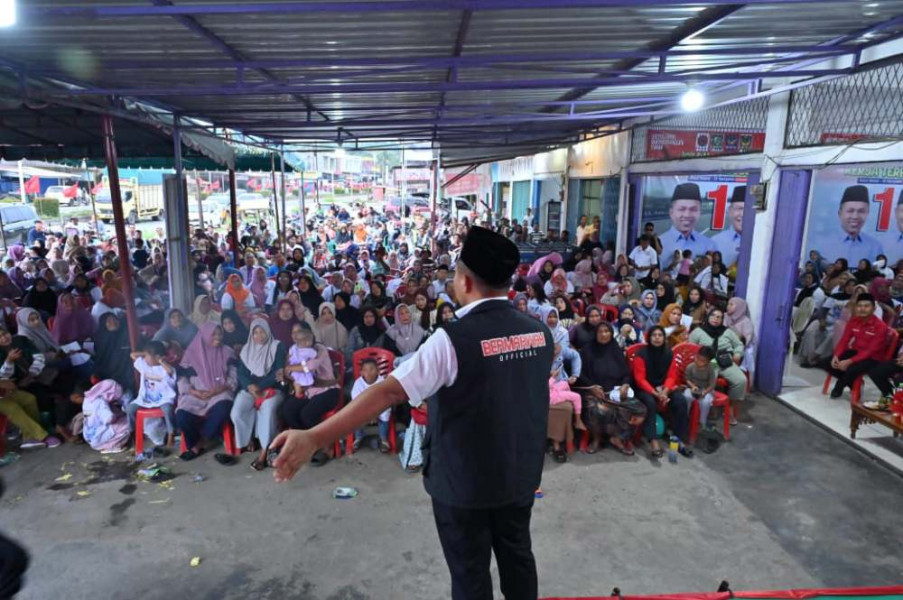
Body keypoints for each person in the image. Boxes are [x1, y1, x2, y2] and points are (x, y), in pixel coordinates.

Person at [269, 226, 553, 600]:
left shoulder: (452, 339)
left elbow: (388, 391)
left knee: (470, 575)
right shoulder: (538, 332)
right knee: (518, 561)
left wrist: (315, 436)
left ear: (465, 282)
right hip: (519, 475)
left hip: (464, 483)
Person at [279, 325, 341, 467]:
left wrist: (290, 368)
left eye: (300, 332)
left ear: (310, 335)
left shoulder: (319, 349)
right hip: (309, 392)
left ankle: (327, 447)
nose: (297, 336)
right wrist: (289, 372)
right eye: (294, 333)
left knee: (307, 414)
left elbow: (311, 366)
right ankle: (307, 443)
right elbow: (288, 373)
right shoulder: (294, 350)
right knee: (288, 410)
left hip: (328, 390)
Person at [176, 323, 238, 461]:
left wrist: (219, 389)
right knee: (182, 415)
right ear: (204, 335)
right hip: (196, 393)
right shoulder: (191, 353)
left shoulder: (227, 352)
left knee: (223, 409)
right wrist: (192, 391)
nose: (218, 337)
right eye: (213, 334)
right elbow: (181, 378)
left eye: (220, 334)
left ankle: (201, 441)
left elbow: (233, 377)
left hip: (219, 392)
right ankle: (194, 443)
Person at [232, 318, 286, 471]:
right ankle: (249, 439)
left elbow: (278, 371)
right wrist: (250, 386)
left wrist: (261, 387)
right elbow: (241, 373)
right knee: (237, 411)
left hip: (273, 389)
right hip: (251, 389)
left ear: (268, 332)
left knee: (267, 410)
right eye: (255, 332)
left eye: (262, 332)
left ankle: (265, 450)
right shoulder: (247, 349)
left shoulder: (277, 347)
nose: (259, 336)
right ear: (252, 334)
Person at [825, 293, 890, 398]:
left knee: (851, 369)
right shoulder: (854, 321)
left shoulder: (881, 327)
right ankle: (851, 384)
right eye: (859, 306)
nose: (862, 309)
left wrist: (849, 361)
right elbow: (844, 340)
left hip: (873, 358)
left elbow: (871, 350)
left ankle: (839, 387)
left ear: (873, 309)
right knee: (827, 362)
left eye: (866, 306)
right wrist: (836, 355)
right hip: (856, 352)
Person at [689, 308, 746, 424]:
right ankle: (708, 407)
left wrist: (737, 354)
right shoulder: (698, 331)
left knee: (741, 380)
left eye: (719, 317)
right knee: (710, 379)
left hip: (725, 361)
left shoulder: (727, 332)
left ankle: (729, 409)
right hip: (708, 362)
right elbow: (689, 348)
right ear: (708, 317)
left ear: (722, 319)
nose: (715, 318)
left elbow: (739, 344)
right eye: (713, 315)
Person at [631, 326, 677, 459]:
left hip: (663, 388)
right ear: (649, 338)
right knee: (650, 402)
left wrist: (665, 391)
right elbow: (640, 379)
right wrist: (656, 394)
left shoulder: (669, 353)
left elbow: (672, 376)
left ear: (664, 338)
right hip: (643, 389)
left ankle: (677, 437)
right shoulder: (641, 354)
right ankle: (653, 441)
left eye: (660, 335)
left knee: (679, 400)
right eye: (654, 335)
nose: (657, 338)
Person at [128, 340, 178, 447]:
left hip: (163, 399)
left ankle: (171, 433)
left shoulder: (165, 368)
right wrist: (146, 353)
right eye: (145, 356)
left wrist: (161, 361)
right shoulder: (144, 365)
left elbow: (170, 371)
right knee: (130, 409)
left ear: (157, 357)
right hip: (146, 399)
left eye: (147, 356)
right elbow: (132, 355)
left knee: (167, 409)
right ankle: (133, 432)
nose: (145, 358)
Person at [823, 185, 883, 265]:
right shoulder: (823, 242)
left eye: (861, 211)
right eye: (850, 211)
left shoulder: (875, 246)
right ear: (840, 213)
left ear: (867, 214)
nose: (855, 216)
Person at [659, 183, 717, 267]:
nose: (687, 215)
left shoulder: (709, 245)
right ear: (671, 212)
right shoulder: (660, 243)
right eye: (681, 209)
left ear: (700, 213)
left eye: (693, 209)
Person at [351, 357, 390, 452]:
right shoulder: (358, 383)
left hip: (379, 408)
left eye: (372, 369)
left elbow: (383, 400)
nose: (368, 373)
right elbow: (357, 402)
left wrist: (374, 413)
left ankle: (383, 439)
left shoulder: (382, 382)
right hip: (363, 409)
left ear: (378, 371)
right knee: (354, 414)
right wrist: (368, 414)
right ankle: (359, 436)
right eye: (365, 370)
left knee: (386, 412)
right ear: (361, 373)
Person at [681, 346, 718, 430]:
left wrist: (704, 392)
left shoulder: (710, 369)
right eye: (697, 358)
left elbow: (712, 384)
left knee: (705, 402)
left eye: (702, 361)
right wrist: (692, 386)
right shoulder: (690, 366)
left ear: (708, 362)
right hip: (692, 387)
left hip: (706, 389)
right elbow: (687, 379)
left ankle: (702, 421)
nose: (698, 361)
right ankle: (685, 417)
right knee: (686, 397)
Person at [712, 186, 745, 268]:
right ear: (730, 211)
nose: (743, 214)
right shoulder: (715, 242)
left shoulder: (764, 241)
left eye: (748, 209)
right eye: (739, 209)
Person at [285, 327, 318, 398]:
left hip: (298, 368)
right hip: (299, 369)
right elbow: (315, 355)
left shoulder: (295, 348)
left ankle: (298, 394)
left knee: (297, 383)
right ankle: (298, 394)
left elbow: (290, 355)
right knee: (298, 383)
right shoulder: (309, 351)